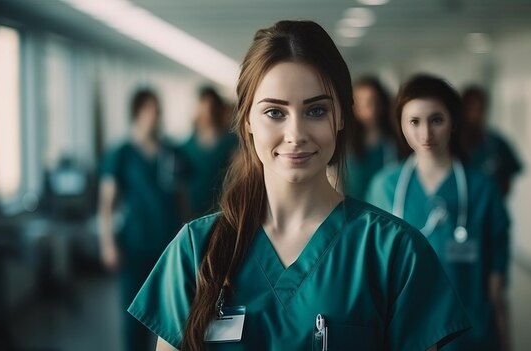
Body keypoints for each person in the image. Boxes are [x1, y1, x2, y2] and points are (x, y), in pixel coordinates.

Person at [128, 21, 470, 351]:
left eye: (316, 111)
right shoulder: (195, 249)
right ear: (247, 120)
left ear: (340, 117)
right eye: (275, 113)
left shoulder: (396, 252)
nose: (295, 135)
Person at [366, 74, 511, 351]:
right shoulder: (384, 186)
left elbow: (496, 279)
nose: (426, 134)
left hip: (469, 331)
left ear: (454, 122)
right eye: (414, 122)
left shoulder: (481, 188)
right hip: (403, 328)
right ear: (400, 125)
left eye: (436, 120)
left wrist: (504, 336)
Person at [98, 88, 187, 351]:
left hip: (169, 245)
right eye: (153, 110)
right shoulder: (122, 154)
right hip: (135, 246)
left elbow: (182, 198)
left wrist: (188, 234)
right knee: (134, 320)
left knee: (174, 318)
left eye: (159, 110)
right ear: (138, 112)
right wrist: (108, 244)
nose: (158, 115)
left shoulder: (170, 151)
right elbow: (106, 205)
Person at [180, 87, 238, 219]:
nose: (207, 114)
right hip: (193, 215)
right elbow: (181, 190)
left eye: (210, 108)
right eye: (203, 108)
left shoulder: (230, 143)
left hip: (222, 214)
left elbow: (238, 178)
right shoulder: (184, 149)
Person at [461, 86, 522, 197]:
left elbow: (507, 183)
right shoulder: (451, 146)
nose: (476, 115)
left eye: (480, 109)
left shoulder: (498, 144)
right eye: (471, 109)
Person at [345, 76, 398, 199]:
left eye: (372, 101)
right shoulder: (344, 144)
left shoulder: (394, 142)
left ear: (381, 103)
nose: (368, 107)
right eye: (361, 102)